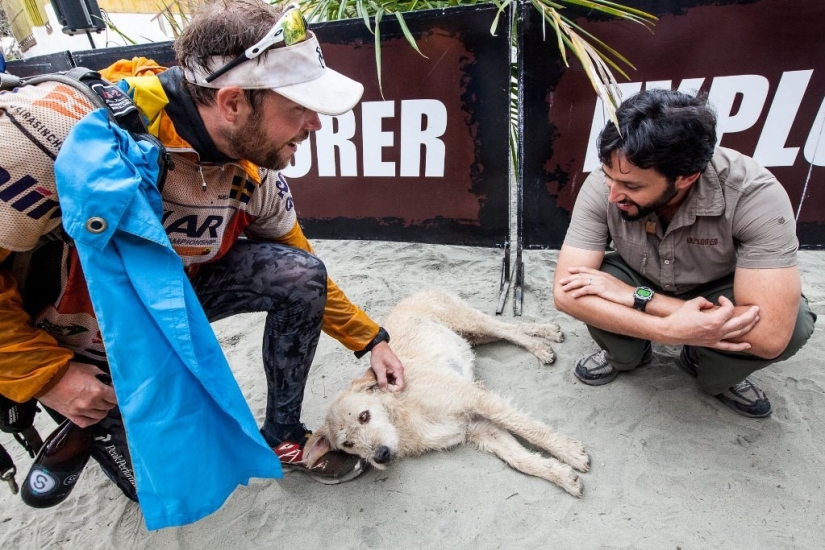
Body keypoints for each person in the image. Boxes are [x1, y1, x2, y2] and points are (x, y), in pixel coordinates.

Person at [0, 0, 405, 497]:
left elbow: (308, 269)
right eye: (299, 107)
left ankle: (281, 435)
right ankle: (99, 413)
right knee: (161, 485)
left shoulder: (252, 167)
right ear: (233, 103)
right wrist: (47, 376)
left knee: (297, 275)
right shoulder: (46, 135)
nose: (314, 124)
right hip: (68, 328)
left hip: (169, 302)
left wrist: (371, 339)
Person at [553, 88, 816, 419]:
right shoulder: (608, 183)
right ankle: (627, 356)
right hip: (639, 273)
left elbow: (772, 335)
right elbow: (564, 295)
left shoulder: (755, 195)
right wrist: (666, 331)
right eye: (609, 177)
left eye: (632, 187)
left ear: (686, 177)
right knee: (586, 287)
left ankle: (702, 360)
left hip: (716, 290)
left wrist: (642, 300)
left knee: (794, 328)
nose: (613, 195)